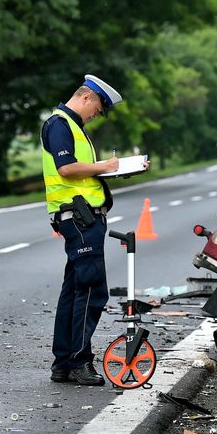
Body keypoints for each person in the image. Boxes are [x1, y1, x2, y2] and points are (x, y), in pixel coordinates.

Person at [41, 74, 142, 385]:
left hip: (82, 216)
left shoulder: (72, 126)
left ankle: (63, 363)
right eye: (99, 107)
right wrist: (105, 167)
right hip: (79, 218)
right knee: (90, 291)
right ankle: (79, 361)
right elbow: (66, 168)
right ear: (86, 97)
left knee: (74, 291)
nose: (97, 114)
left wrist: (120, 170)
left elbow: (80, 174)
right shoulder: (60, 124)